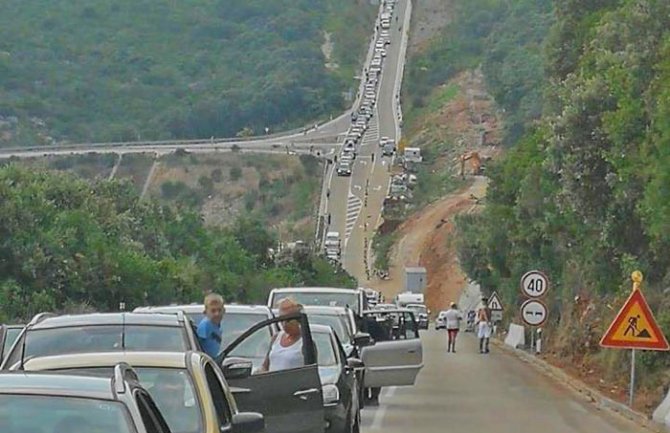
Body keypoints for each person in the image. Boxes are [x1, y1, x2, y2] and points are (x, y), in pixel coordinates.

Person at [262, 298, 305, 372]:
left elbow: (310, 372)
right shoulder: (276, 338)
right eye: (281, 320)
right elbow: (265, 366)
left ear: (297, 320)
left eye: (288, 320)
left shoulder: (305, 342)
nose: (284, 324)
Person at [197, 293, 225, 358]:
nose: (217, 314)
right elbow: (198, 347)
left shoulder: (218, 326)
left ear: (224, 311)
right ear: (206, 312)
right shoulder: (205, 325)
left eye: (219, 310)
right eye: (213, 311)